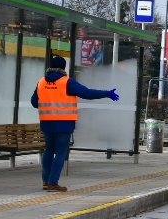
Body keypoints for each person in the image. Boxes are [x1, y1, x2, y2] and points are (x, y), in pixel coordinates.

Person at [31, 55, 119, 191]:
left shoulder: (41, 82)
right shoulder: (67, 82)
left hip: (47, 122)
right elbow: (87, 93)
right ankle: (52, 183)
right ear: (63, 68)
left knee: (49, 149)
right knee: (60, 152)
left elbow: (34, 102)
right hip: (63, 123)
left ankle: (45, 180)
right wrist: (107, 93)